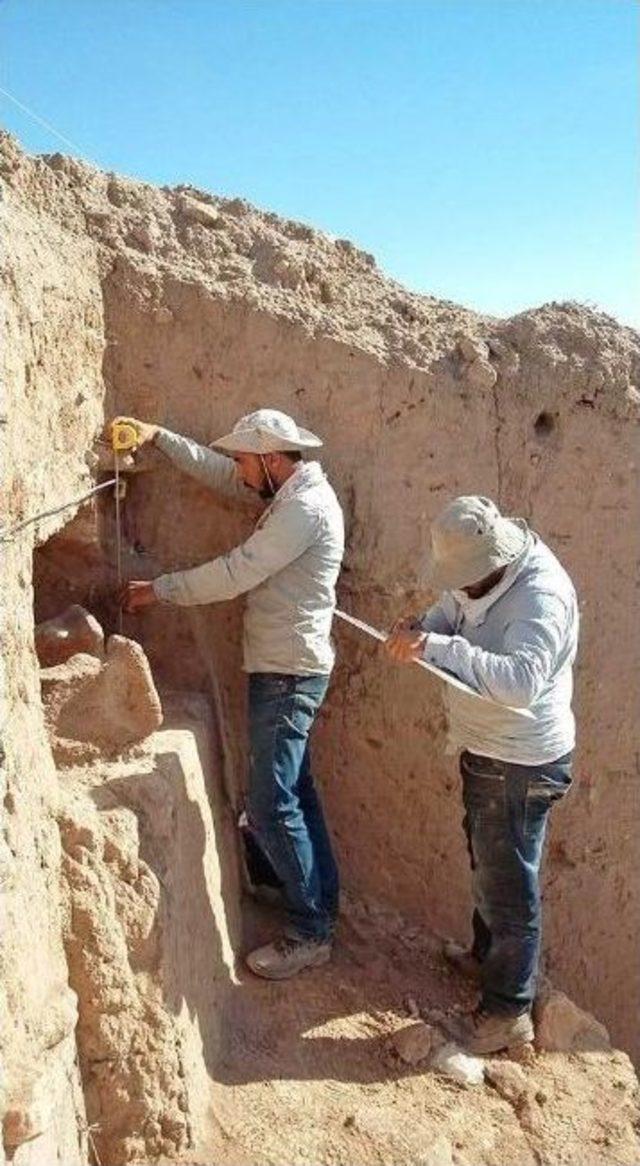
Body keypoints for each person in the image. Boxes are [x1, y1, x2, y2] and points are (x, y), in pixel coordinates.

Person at [114, 408, 344, 980]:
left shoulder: (304, 510)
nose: (239, 472)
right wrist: (160, 438)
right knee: (296, 794)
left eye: (245, 459)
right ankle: (317, 902)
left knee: (270, 803)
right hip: (286, 668)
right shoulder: (289, 493)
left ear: (271, 459)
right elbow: (223, 476)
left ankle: (310, 932)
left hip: (289, 673)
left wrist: (161, 590)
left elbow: (237, 571)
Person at [385, 495, 578, 1054]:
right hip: (488, 748)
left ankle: (507, 1013)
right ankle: (485, 961)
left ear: (494, 561)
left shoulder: (539, 597)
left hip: (521, 761)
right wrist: (422, 628)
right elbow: (450, 611)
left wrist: (438, 646)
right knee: (488, 861)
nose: (458, 587)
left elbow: (520, 682)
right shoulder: (478, 572)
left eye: (464, 579)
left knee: (509, 884)